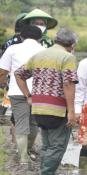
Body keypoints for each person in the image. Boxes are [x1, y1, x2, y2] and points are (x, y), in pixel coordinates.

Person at [15, 27, 78, 175]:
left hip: (38, 108)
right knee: (57, 146)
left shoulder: (39, 55)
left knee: (47, 145)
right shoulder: (67, 57)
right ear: (72, 44)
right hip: (57, 109)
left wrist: (28, 96)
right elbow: (68, 84)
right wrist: (71, 111)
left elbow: (18, 74)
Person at [0, 25, 44, 164]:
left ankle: (23, 157)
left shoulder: (12, 49)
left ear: (21, 37)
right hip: (39, 93)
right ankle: (29, 150)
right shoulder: (44, 50)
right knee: (34, 124)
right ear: (40, 38)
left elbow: (2, 72)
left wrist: (3, 84)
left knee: (21, 124)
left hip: (17, 91)